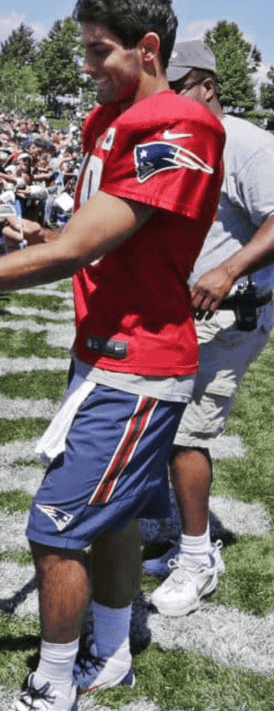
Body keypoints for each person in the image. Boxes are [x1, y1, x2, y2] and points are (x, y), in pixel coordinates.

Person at [0, 0, 225, 709]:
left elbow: (79, 250)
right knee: (113, 516)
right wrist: (49, 239)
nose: (88, 67)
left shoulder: (179, 122)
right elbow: (93, 242)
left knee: (55, 530)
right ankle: (115, 649)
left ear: (148, 49)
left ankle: (53, 682)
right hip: (102, 348)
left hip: (138, 360)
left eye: (101, 51)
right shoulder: (109, 117)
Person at [145, 40, 274, 617]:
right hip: (186, 310)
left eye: (175, 88)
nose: (165, 100)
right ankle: (184, 540)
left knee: (184, 435)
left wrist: (226, 269)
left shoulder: (244, 142)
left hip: (232, 313)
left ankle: (198, 558)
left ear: (206, 84)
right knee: (158, 420)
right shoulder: (183, 143)